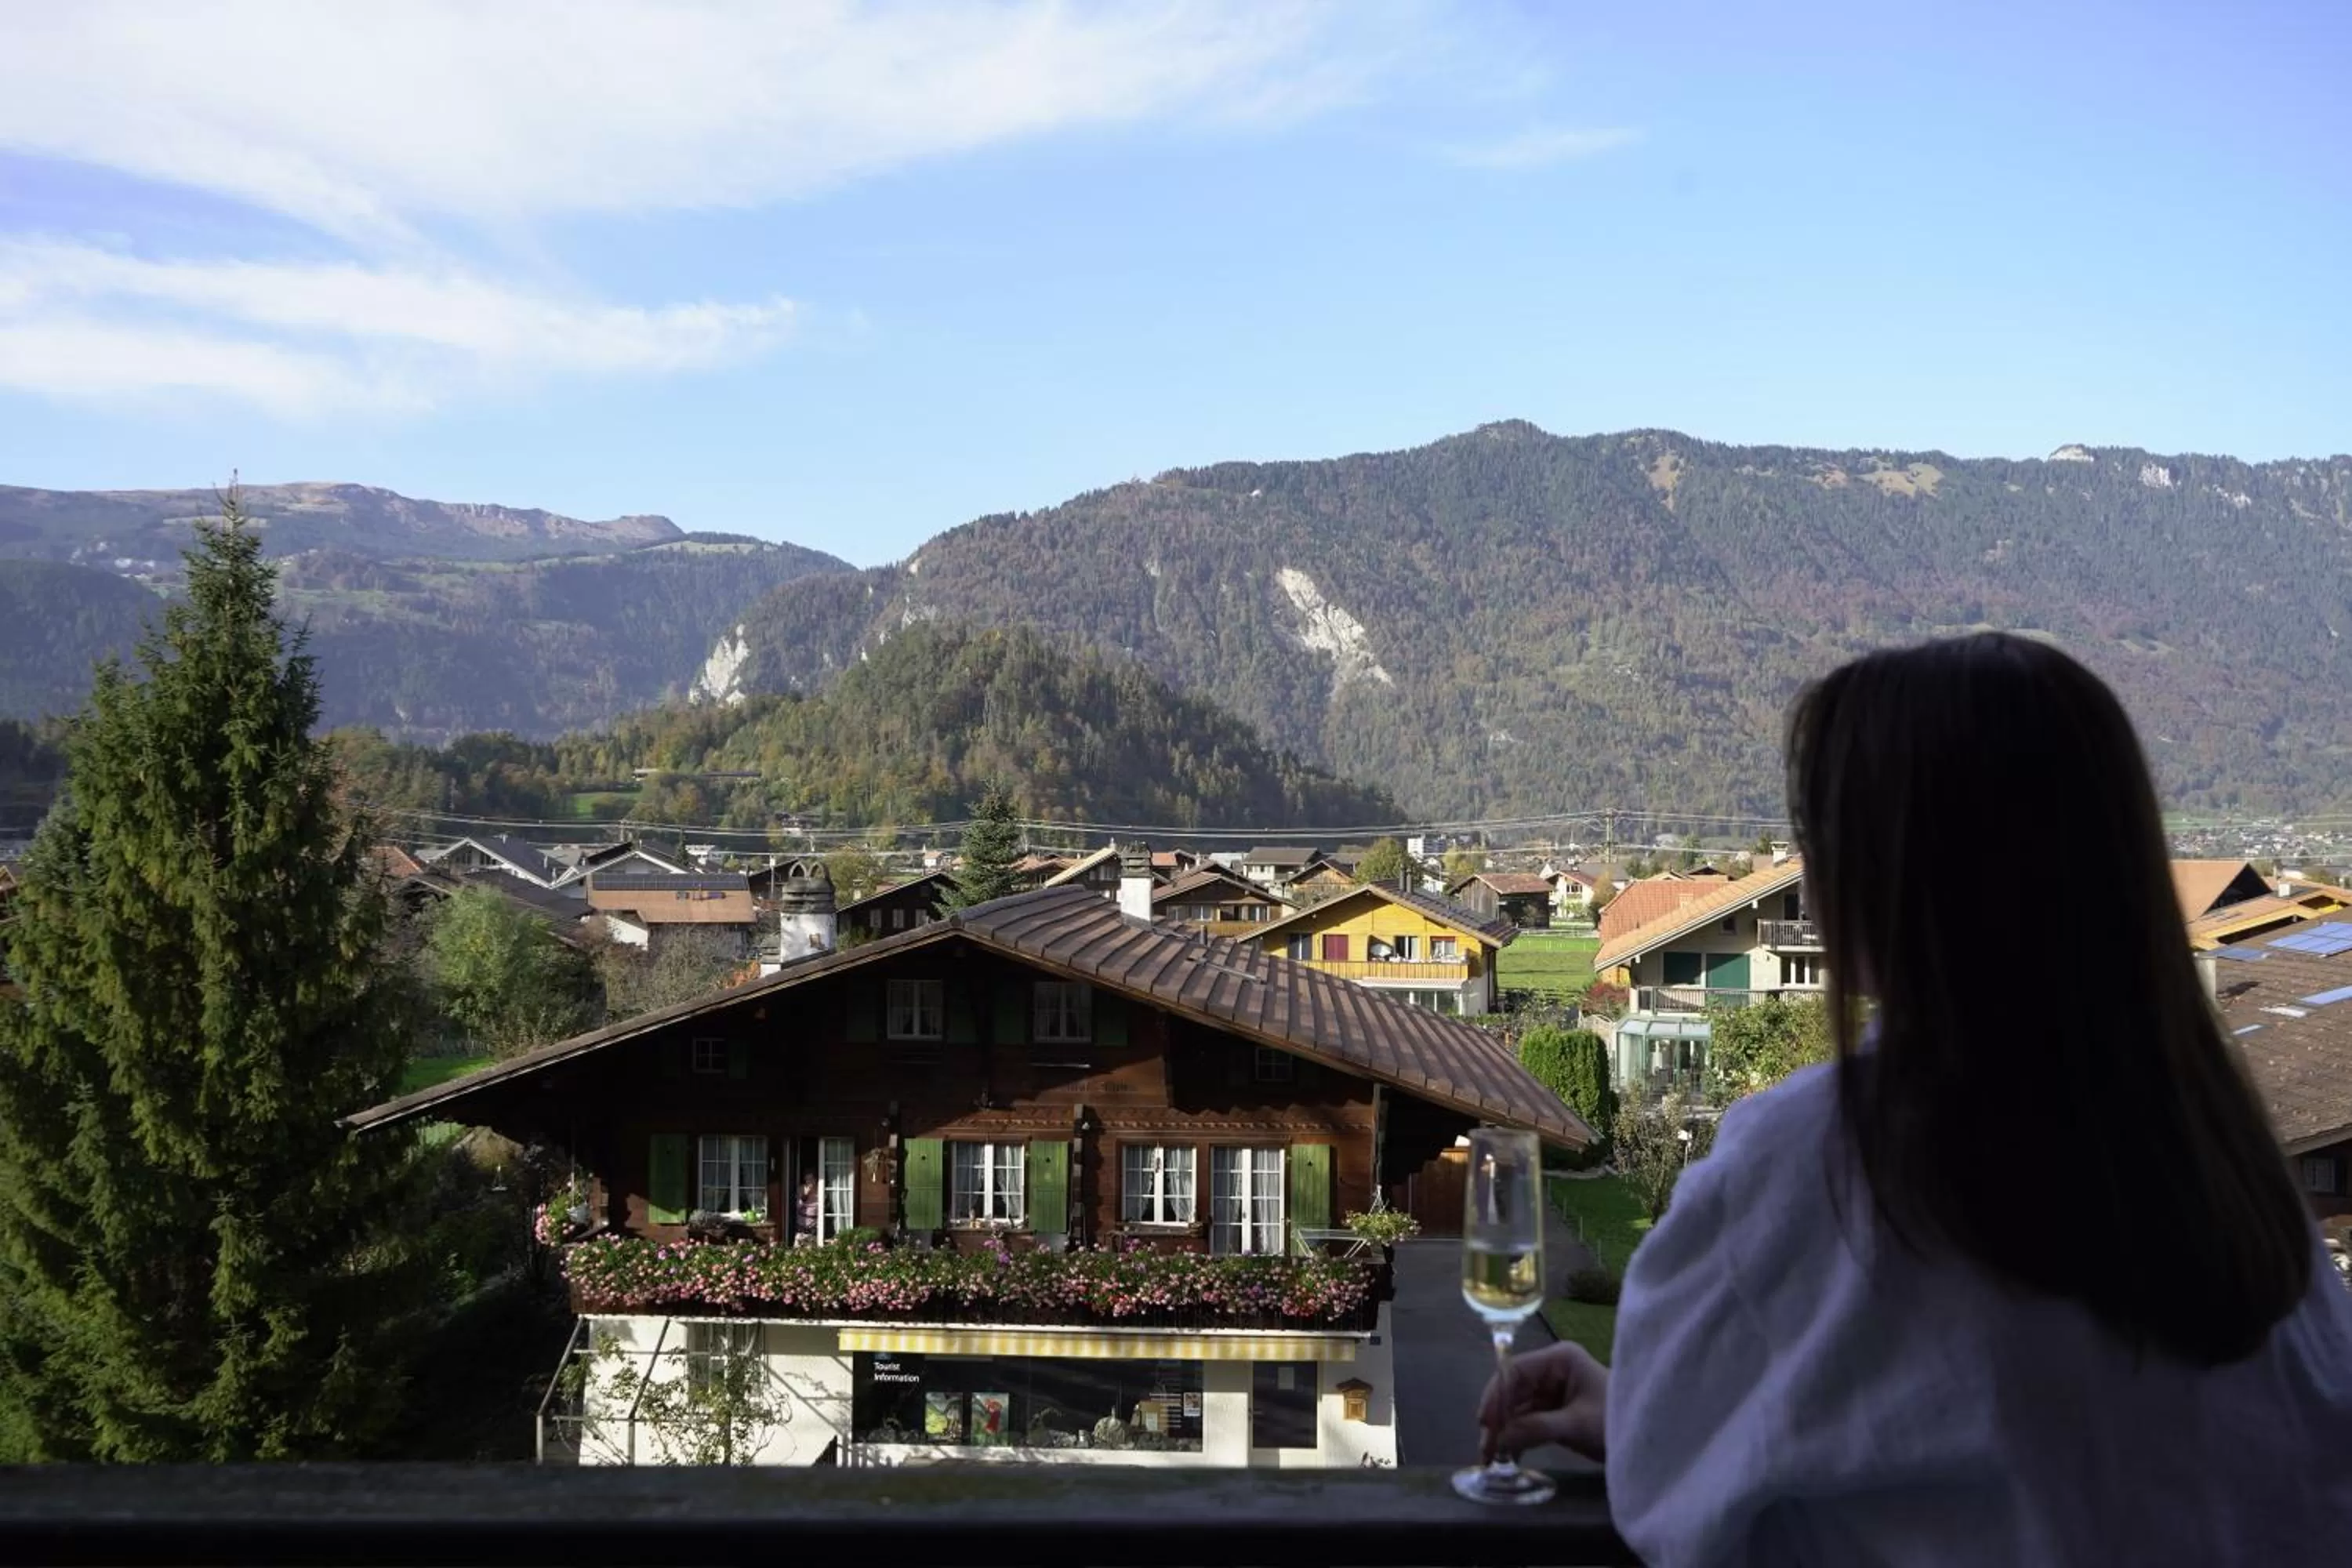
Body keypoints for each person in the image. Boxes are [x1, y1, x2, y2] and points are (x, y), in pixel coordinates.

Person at [1480, 633, 2352, 1564]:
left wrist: (1657, 1421)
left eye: (1820, 836)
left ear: (1887, 874)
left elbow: (1714, 1506)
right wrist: (1648, 1416)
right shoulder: (2240, 1189)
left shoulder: (1818, 1165)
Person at [793, 1170, 821, 1245]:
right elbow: (797, 1206)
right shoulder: (801, 1189)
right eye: (807, 1180)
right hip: (801, 1229)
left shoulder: (820, 1190)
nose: (809, 1182)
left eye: (811, 1179)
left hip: (814, 1229)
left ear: (815, 1179)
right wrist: (805, 1195)